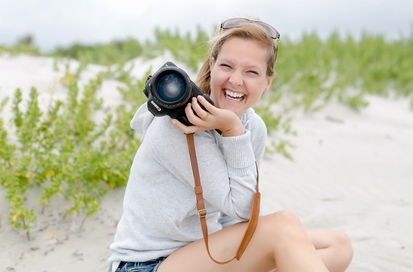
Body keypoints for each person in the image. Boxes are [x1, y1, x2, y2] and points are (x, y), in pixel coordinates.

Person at [108, 18, 353, 272]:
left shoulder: (253, 127)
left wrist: (235, 130)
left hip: (205, 256)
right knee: (283, 227)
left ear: (267, 82)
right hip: (146, 264)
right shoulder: (180, 123)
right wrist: (232, 131)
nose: (236, 81)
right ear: (212, 65)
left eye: (251, 72)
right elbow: (243, 206)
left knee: (337, 245)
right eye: (227, 66)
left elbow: (235, 218)